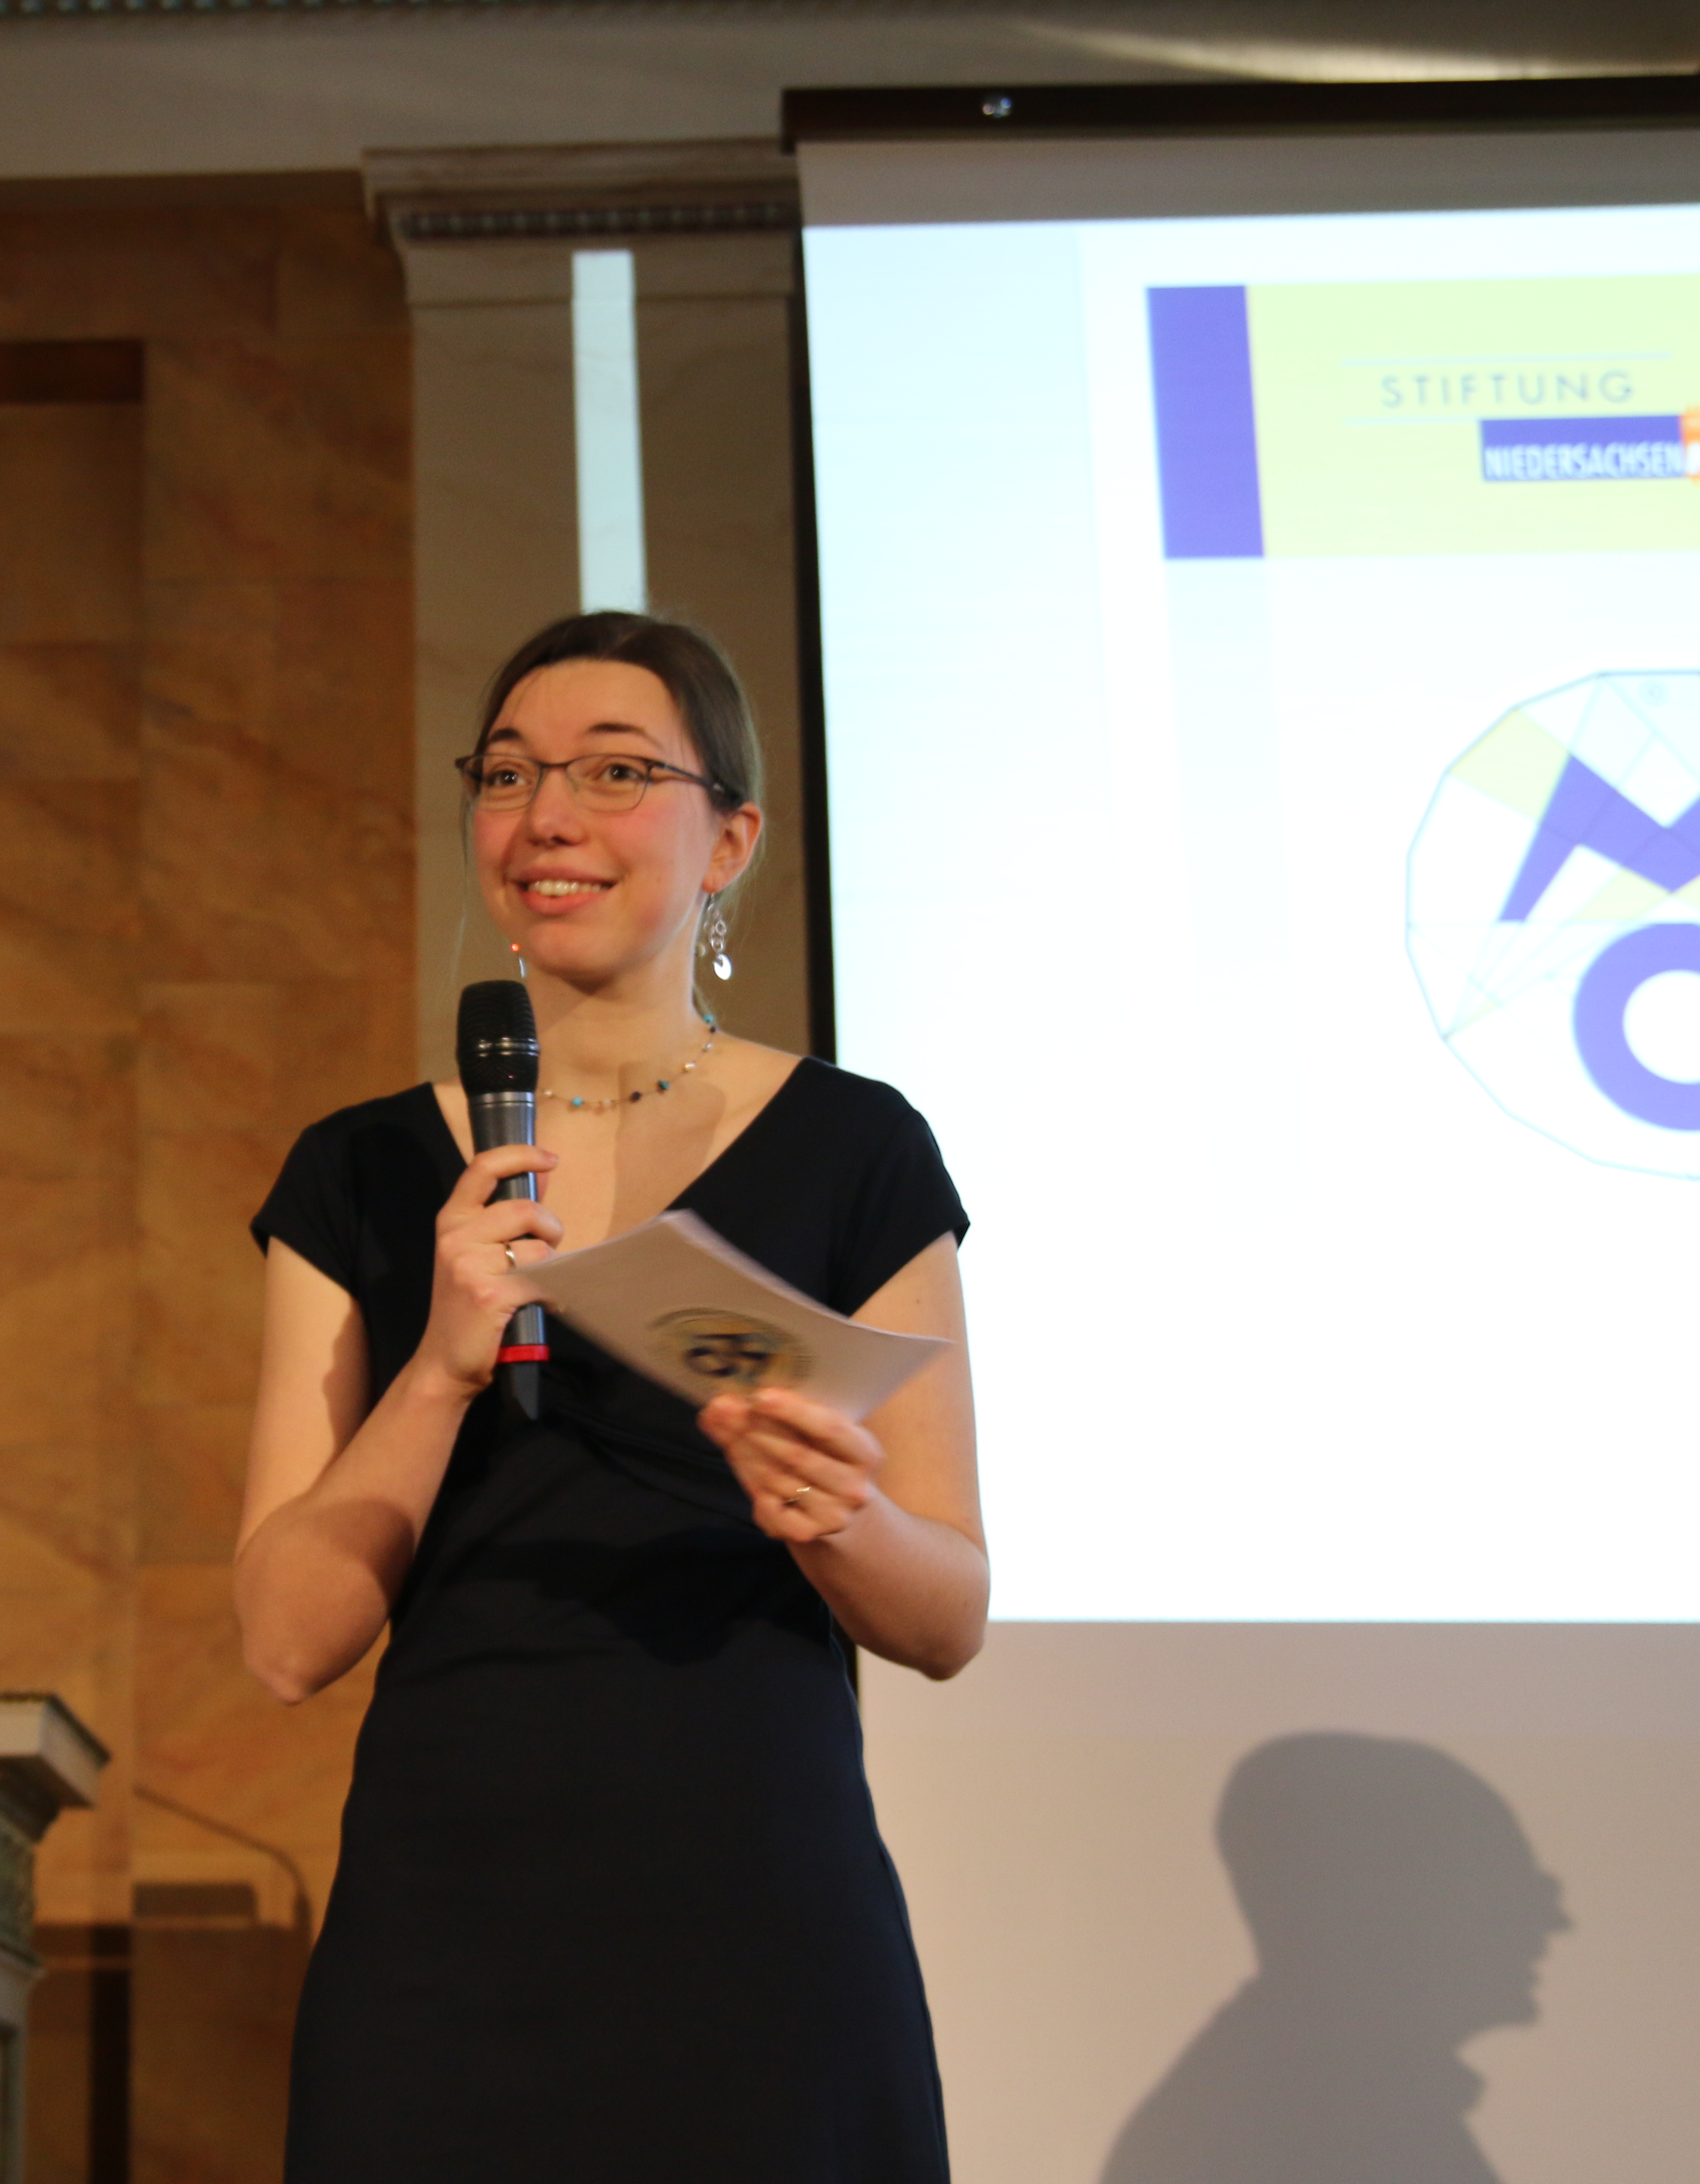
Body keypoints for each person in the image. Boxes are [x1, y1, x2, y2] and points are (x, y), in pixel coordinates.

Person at [236, 611, 989, 2180]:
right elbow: (286, 1641)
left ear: (732, 838)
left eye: (616, 772)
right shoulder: (359, 1171)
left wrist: (837, 1517)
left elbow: (947, 1615)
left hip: (759, 1918)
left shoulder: (856, 1150)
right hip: (448, 1932)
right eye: (509, 774)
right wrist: (441, 1366)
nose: (548, 816)